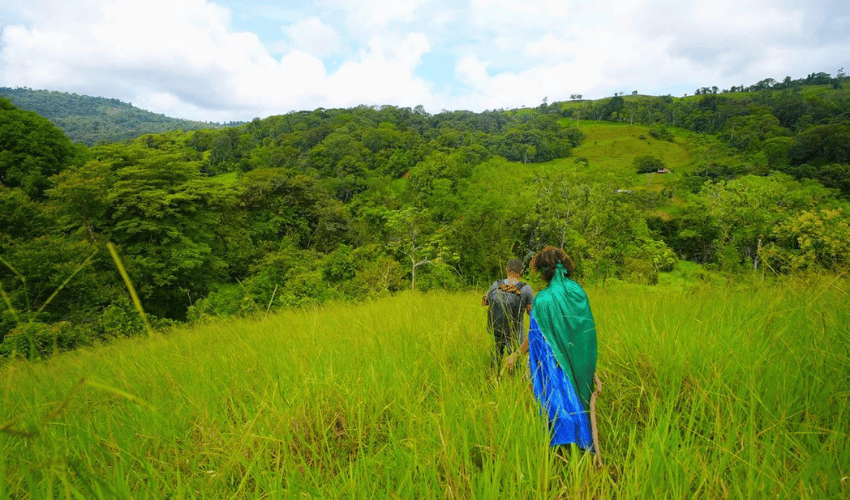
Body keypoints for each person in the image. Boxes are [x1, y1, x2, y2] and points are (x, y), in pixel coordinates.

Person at [520, 246, 603, 466]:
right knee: (581, 401)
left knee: (558, 403)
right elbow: (585, 332)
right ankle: (584, 451)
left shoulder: (543, 299)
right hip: (581, 361)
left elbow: (535, 338)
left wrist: (519, 358)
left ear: (544, 272)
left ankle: (562, 454)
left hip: (554, 363)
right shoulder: (578, 292)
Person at [481, 259, 534, 370]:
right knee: (515, 363)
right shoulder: (526, 289)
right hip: (515, 333)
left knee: (495, 362)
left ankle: (494, 381)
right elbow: (531, 313)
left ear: (507, 270)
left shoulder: (496, 284)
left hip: (496, 330)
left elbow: (484, 302)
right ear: (521, 272)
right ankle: (513, 381)